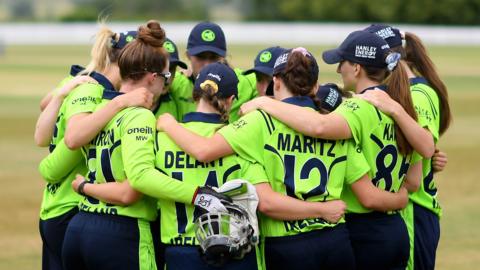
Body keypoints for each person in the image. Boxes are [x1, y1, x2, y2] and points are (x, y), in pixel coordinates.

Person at [156, 47, 415, 270]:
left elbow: (204, 150)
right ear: (315, 86)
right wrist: (400, 197)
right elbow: (363, 184)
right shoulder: (333, 122)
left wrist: (167, 123)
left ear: (276, 82)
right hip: (336, 241)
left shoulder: (259, 121)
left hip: (287, 244)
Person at [236, 32, 427, 269]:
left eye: (342, 62)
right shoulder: (399, 104)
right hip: (395, 229)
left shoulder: (356, 108)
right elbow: (415, 177)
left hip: (360, 229)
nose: (338, 70)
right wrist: (400, 199)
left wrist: (266, 103)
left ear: (356, 68)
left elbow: (319, 126)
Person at [60, 20, 229, 270]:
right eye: (166, 75)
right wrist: (198, 194)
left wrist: (85, 187)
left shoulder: (99, 108)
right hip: (121, 232)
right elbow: (140, 178)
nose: (167, 83)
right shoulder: (140, 115)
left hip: (79, 228)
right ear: (153, 77)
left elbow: (72, 139)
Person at [35, 24, 146, 270]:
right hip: (69, 206)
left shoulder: (77, 82)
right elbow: (62, 153)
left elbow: (43, 121)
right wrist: (120, 104)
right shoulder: (93, 91)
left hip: (54, 207)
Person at [363, 24, 452, 270]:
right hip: (401, 208)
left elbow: (423, 146)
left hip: (414, 208)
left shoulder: (420, 94)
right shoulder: (396, 91)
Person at [169, 21, 257, 122]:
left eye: (213, 58)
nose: (207, 65)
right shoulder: (176, 82)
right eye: (200, 57)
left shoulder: (244, 82)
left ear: (224, 57)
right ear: (188, 55)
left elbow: (275, 82)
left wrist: (261, 102)